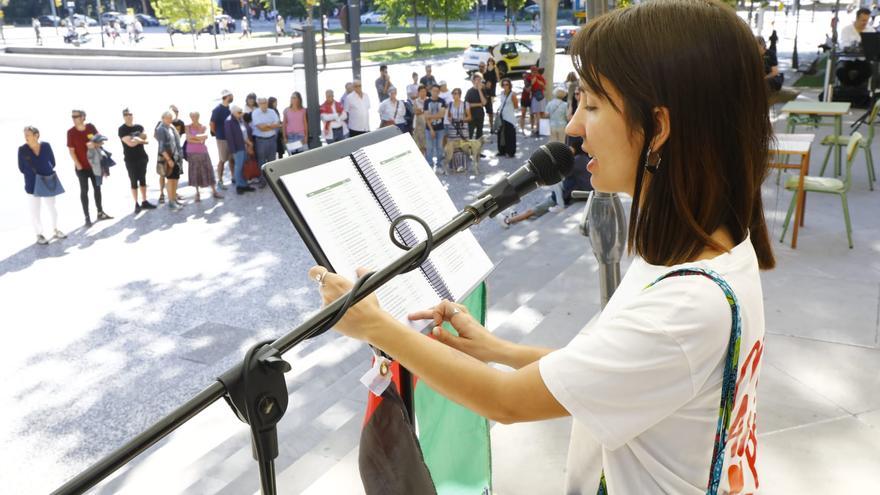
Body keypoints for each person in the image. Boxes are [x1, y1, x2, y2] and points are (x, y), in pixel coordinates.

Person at [308, 2, 775, 494]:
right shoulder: (713, 250)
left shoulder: (686, 305)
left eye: (591, 105)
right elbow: (607, 368)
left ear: (657, 128)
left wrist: (375, 325)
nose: (573, 127)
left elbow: (505, 401)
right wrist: (497, 350)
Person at [19, 126, 65, 244]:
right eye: (25, 135)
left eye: (28, 135)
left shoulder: (46, 146)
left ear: (36, 135)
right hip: (31, 185)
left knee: (52, 207)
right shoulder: (22, 150)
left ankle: (55, 229)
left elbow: (53, 162)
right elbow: (21, 168)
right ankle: (39, 234)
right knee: (35, 211)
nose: (25, 137)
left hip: (47, 181)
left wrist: (44, 172)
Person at [67, 109, 109, 227]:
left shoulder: (91, 127)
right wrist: (78, 164)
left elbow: (101, 142)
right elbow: (71, 151)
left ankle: (100, 212)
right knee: (84, 191)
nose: (74, 118)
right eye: (72, 117)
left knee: (97, 189)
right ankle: (87, 217)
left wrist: (94, 144)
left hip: (95, 165)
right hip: (81, 168)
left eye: (76, 116)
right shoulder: (71, 132)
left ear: (83, 117)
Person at [118, 108, 156, 213]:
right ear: (123, 116)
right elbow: (130, 144)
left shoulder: (139, 127)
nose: (128, 116)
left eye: (130, 114)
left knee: (143, 180)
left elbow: (146, 138)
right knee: (133, 181)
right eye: (126, 114)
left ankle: (144, 201)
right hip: (130, 159)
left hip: (142, 157)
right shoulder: (122, 129)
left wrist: (136, 139)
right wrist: (139, 139)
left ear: (132, 115)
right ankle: (136, 204)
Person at [185, 112, 222, 201]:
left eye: (196, 116)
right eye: (192, 116)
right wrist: (198, 139)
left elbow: (204, 137)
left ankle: (214, 191)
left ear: (198, 116)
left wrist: (193, 138)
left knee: (208, 169)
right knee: (195, 172)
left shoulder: (203, 126)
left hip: (202, 151)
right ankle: (197, 193)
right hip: (192, 152)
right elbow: (188, 139)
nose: (194, 118)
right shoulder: (187, 126)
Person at [444, 88, 480, 173]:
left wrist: (461, 120)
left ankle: (463, 166)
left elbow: (469, 117)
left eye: (456, 93)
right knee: (453, 147)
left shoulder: (465, 104)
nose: (454, 95)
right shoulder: (450, 104)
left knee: (463, 147)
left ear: (460, 95)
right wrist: (451, 119)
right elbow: (448, 116)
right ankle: (454, 166)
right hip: (453, 128)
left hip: (463, 128)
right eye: (453, 93)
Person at [155, 111, 185, 210]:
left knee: (175, 179)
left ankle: (174, 199)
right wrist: (168, 160)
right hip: (168, 157)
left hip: (175, 156)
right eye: (167, 118)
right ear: (162, 118)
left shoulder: (171, 127)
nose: (169, 120)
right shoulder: (161, 129)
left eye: (170, 118)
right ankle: (171, 202)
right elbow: (161, 147)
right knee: (171, 180)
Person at [251, 96, 282, 186]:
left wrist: (266, 125)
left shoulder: (272, 112)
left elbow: (278, 124)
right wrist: (271, 125)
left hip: (272, 139)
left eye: (265, 103)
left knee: (272, 161)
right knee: (261, 162)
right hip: (261, 141)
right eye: (261, 103)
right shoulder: (255, 113)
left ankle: (273, 181)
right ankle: (263, 180)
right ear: (258, 104)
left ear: (267, 103)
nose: (264, 105)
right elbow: (261, 128)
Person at [224, 105, 255, 194]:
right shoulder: (229, 121)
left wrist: (249, 144)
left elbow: (244, 132)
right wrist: (233, 150)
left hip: (244, 146)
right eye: (239, 112)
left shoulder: (240, 119)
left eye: (241, 111)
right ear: (233, 112)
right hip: (237, 148)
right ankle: (239, 186)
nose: (241, 113)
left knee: (243, 167)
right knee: (238, 167)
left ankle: (244, 184)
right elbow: (229, 137)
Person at [211, 89, 234, 190]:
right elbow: (212, 124)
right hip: (222, 139)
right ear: (227, 97)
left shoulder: (230, 108)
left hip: (231, 138)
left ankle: (234, 177)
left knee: (232, 159)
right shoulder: (217, 109)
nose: (232, 97)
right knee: (222, 160)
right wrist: (218, 134)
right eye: (231, 95)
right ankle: (220, 180)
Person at [423, 84, 448, 173]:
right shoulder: (426, 102)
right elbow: (426, 117)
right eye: (433, 91)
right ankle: (429, 165)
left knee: (439, 148)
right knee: (429, 148)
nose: (435, 93)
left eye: (437, 91)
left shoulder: (442, 101)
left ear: (439, 92)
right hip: (429, 129)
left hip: (440, 128)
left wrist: (431, 116)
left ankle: (439, 166)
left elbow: (442, 115)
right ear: (431, 91)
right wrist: (431, 129)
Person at [495, 78, 519, 158]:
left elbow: (516, 106)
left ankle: (510, 152)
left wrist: (509, 109)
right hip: (502, 116)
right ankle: (502, 151)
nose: (505, 86)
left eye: (507, 84)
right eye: (504, 84)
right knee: (501, 135)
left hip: (509, 118)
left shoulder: (513, 94)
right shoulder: (501, 93)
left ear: (510, 85)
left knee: (510, 136)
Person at [524, 66, 546, 136]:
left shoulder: (534, 78)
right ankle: (541, 129)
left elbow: (544, 87)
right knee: (540, 114)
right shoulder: (538, 77)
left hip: (536, 98)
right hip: (540, 97)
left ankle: (538, 130)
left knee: (538, 114)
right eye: (533, 71)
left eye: (534, 71)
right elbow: (544, 87)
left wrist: (534, 82)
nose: (533, 72)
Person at [465, 73, 487, 140]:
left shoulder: (483, 90)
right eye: (477, 80)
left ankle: (478, 146)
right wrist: (479, 104)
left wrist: (479, 90)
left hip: (480, 115)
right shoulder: (469, 91)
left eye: (480, 80)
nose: (478, 81)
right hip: (471, 115)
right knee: (470, 134)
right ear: (473, 81)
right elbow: (467, 105)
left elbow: (484, 103)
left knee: (479, 134)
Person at [483, 58, 500, 132]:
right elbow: (483, 76)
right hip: (486, 86)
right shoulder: (486, 68)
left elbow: (498, 78)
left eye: (491, 61)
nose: (490, 62)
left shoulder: (495, 68)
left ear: (493, 62)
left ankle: (491, 106)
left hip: (492, 85)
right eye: (489, 61)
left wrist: (495, 82)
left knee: (491, 101)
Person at [412, 85, 428, 154]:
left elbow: (430, 112)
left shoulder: (429, 100)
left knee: (427, 145)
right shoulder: (416, 101)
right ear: (418, 92)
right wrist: (424, 111)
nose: (423, 93)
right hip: (418, 126)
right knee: (419, 145)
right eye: (421, 91)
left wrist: (421, 110)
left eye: (424, 91)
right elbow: (416, 112)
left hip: (428, 126)